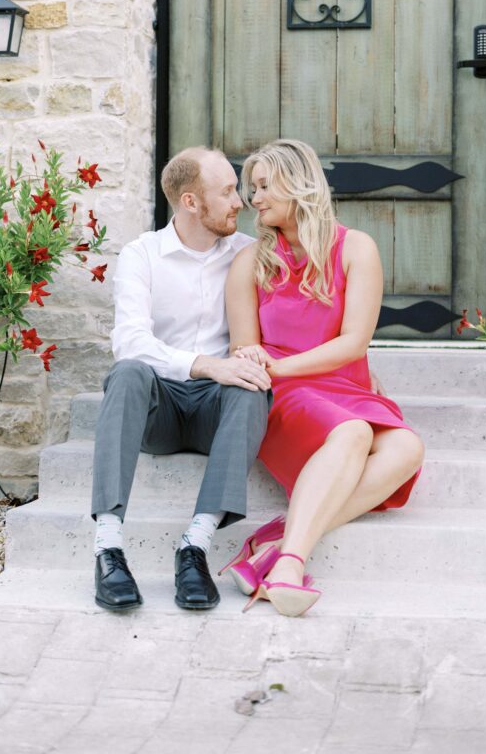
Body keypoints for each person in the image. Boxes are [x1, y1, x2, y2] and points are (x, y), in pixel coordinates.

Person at [223, 139, 425, 617]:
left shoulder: (356, 248)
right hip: (282, 393)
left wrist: (279, 363)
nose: (255, 198)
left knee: (407, 448)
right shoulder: (250, 262)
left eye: (265, 185)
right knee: (353, 433)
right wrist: (263, 365)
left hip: (341, 382)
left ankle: (273, 544)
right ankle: (291, 565)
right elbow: (243, 348)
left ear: (299, 184)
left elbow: (354, 342)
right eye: (253, 188)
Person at [91, 146, 272, 612]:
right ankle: (108, 548)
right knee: (128, 372)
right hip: (161, 409)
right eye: (228, 191)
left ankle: (194, 547)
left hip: (219, 408)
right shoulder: (142, 255)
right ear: (191, 202)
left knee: (251, 387)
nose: (240, 202)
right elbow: (130, 341)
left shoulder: (247, 254)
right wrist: (208, 364)